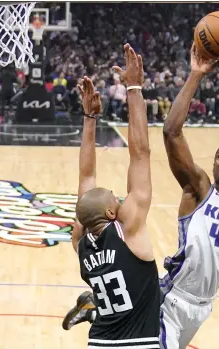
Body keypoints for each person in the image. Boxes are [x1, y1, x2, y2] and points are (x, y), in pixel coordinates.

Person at [63, 47, 219, 349]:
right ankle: (98, 309)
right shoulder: (198, 189)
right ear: (211, 164)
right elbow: (171, 133)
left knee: (124, 315)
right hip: (171, 297)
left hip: (203, 304)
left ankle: (98, 307)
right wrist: (195, 75)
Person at [65, 44, 160, 349]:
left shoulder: (80, 243)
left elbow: (86, 179)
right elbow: (141, 154)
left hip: (99, 342)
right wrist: (133, 89)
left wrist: (89, 118)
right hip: (139, 344)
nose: (121, 198)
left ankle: (91, 307)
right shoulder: (127, 228)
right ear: (110, 214)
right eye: (115, 199)